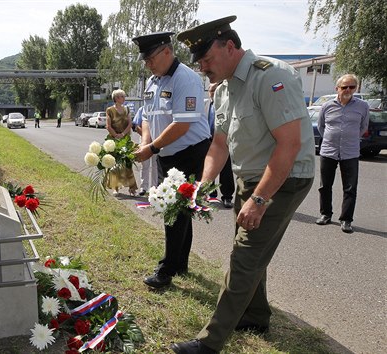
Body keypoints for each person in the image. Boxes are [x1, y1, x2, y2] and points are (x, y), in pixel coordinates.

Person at [169, 16, 315, 354]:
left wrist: (260, 200)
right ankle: (256, 316)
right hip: (249, 179)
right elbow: (219, 145)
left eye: (207, 59)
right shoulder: (224, 89)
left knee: (245, 256)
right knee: (253, 251)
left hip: (283, 181)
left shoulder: (272, 76)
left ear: (230, 46)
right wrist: (203, 186)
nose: (203, 67)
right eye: (200, 62)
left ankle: (208, 343)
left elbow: (289, 145)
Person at [131, 31, 211, 288]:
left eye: (151, 58)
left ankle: (166, 271)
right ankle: (180, 263)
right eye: (145, 60)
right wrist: (146, 142)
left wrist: (152, 148)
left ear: (167, 51)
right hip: (166, 152)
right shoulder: (154, 80)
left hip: (189, 152)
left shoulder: (185, 79)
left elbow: (182, 124)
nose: (148, 64)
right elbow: (146, 115)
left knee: (173, 210)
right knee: (181, 211)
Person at [316, 74, 369, 233]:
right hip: (328, 151)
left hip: (350, 152)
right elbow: (321, 127)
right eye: (344, 87)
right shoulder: (327, 106)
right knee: (325, 186)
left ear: (356, 88)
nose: (347, 90)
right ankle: (325, 214)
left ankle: (346, 219)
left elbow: (363, 127)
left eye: (351, 87)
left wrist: (349, 138)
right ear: (337, 88)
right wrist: (331, 139)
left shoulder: (362, 106)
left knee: (350, 188)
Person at [205, 82, 235, 208]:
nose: (213, 93)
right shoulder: (205, 104)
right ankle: (211, 194)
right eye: (211, 91)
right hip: (208, 140)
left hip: (223, 141)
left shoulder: (226, 103)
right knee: (208, 167)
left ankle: (227, 196)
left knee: (226, 169)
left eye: (215, 90)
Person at [105, 89, 137, 196]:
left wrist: (122, 134)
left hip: (125, 139)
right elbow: (108, 125)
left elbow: (129, 124)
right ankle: (115, 187)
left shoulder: (126, 109)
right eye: (122, 96)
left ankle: (132, 188)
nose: (124, 98)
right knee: (115, 164)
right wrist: (116, 135)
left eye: (124, 96)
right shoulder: (110, 110)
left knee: (128, 163)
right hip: (114, 140)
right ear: (116, 98)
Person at [132, 106, 158, 196]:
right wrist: (146, 137)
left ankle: (155, 188)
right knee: (145, 165)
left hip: (157, 141)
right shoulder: (142, 109)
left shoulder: (158, 108)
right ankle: (144, 188)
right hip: (144, 141)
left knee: (155, 165)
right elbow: (136, 126)